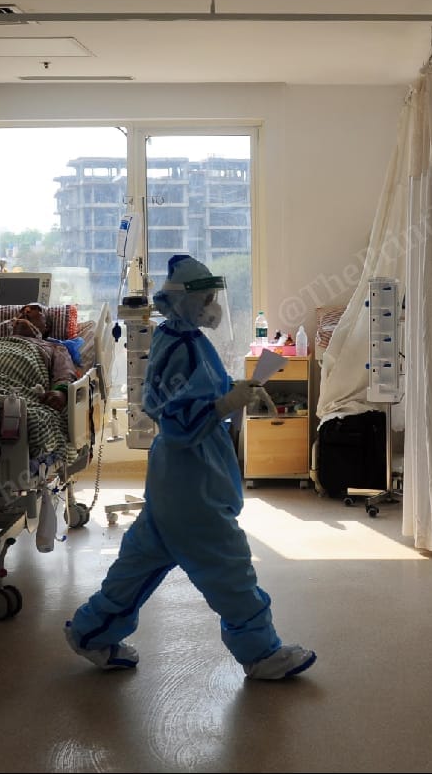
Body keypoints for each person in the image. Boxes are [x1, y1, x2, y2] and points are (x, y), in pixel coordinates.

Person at [65, 254, 317, 680]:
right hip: (191, 486)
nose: (214, 305)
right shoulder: (179, 344)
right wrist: (225, 403)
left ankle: (91, 633)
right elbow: (172, 416)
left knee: (135, 570)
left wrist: (236, 394)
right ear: (185, 301)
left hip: (175, 487)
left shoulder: (185, 337)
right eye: (206, 297)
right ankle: (260, 653)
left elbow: (197, 398)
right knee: (230, 568)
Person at [0, 302, 79, 411]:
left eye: (33, 312)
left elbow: (65, 374)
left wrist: (61, 393)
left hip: (14, 399)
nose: (25, 314)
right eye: (22, 314)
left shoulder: (54, 348)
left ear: (46, 327)